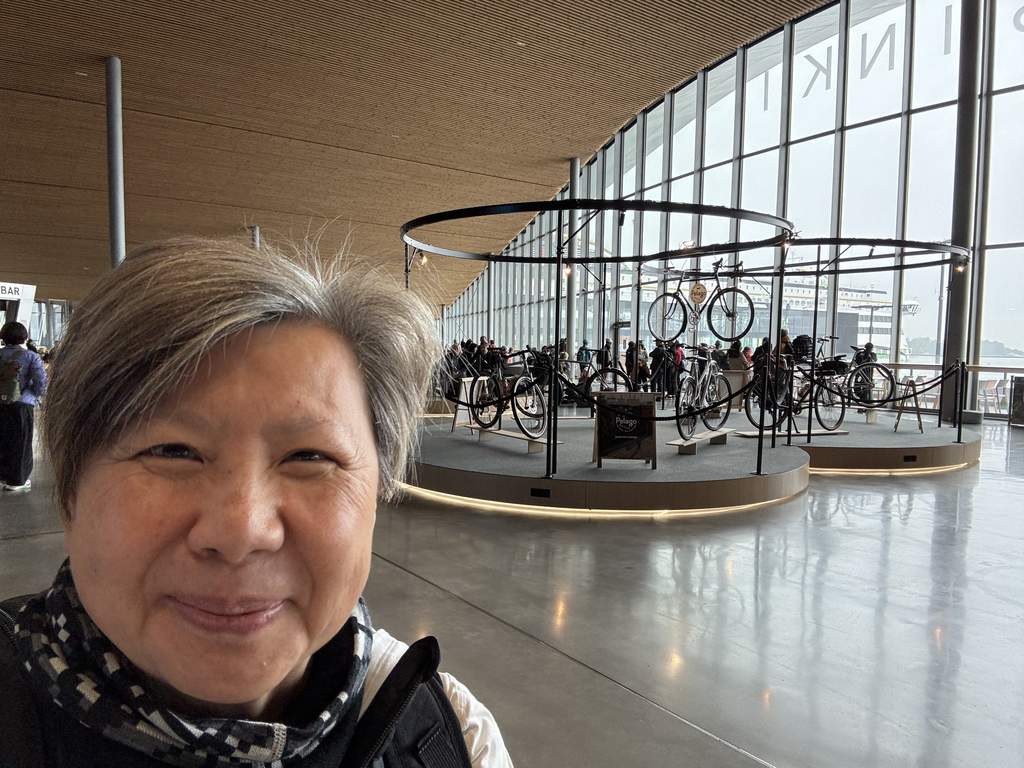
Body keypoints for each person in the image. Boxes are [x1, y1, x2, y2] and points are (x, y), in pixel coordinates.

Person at [0, 238, 512, 767]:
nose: (242, 531)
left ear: (377, 495)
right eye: (172, 451)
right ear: (70, 495)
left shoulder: (451, 737)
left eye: (309, 456)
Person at [0, 321, 48, 492]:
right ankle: (17, 480)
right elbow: (41, 380)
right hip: (21, 403)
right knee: (21, 442)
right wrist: (35, 394)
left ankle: (2, 475)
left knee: (3, 439)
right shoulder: (29, 356)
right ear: (23, 336)